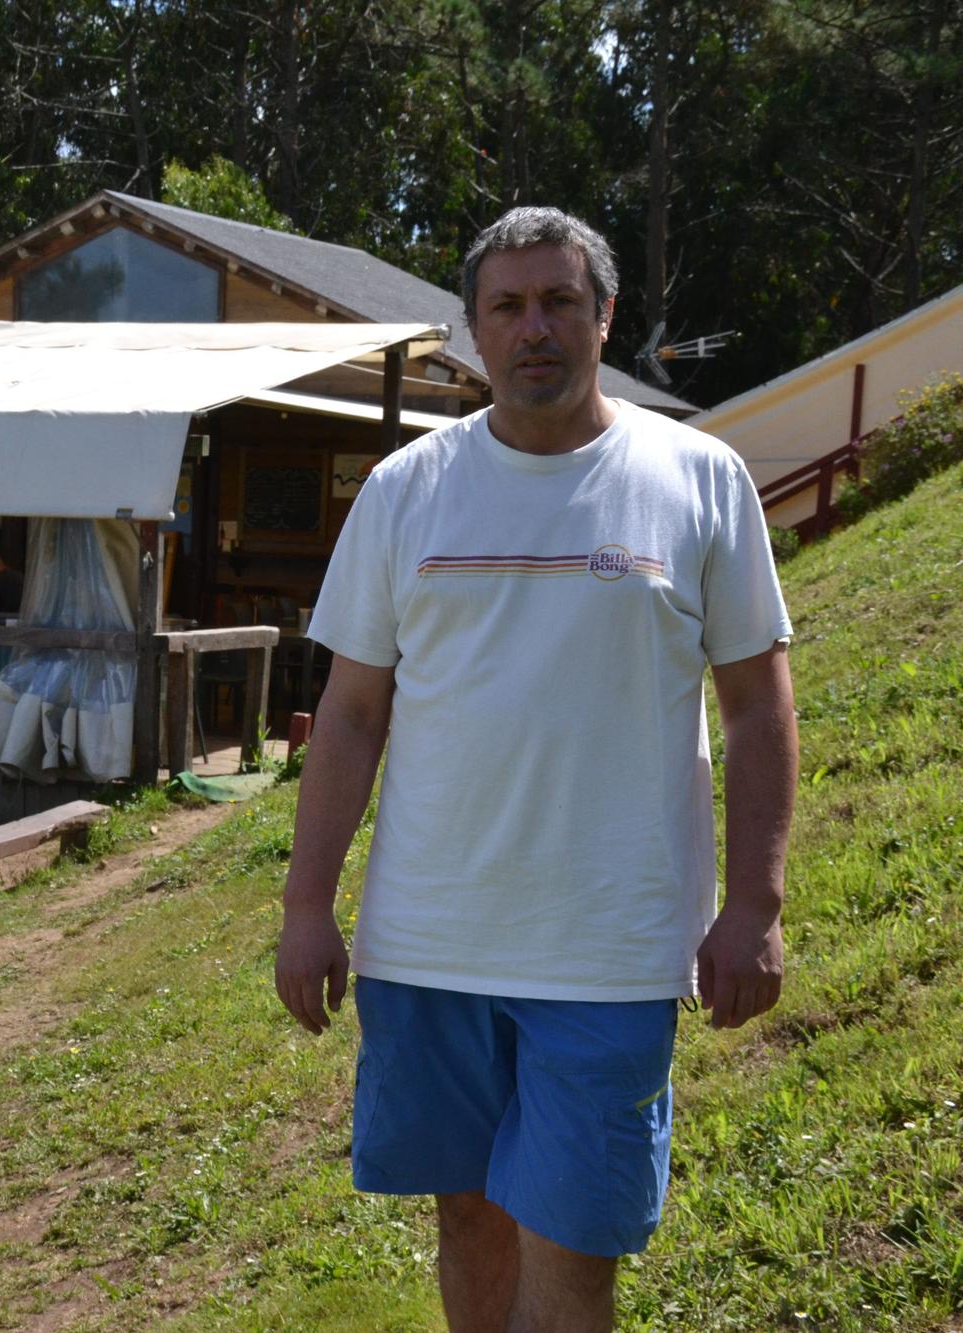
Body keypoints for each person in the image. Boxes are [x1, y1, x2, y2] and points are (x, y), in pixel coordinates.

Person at [274, 206, 797, 1332]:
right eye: (506, 307)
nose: (534, 328)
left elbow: (755, 707)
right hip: (425, 943)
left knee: (571, 1243)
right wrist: (306, 904)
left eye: (559, 300)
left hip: (607, 951)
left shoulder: (696, 479)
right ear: (470, 334)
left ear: (604, 317)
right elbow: (352, 711)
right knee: (465, 1217)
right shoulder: (404, 490)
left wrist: (753, 902)